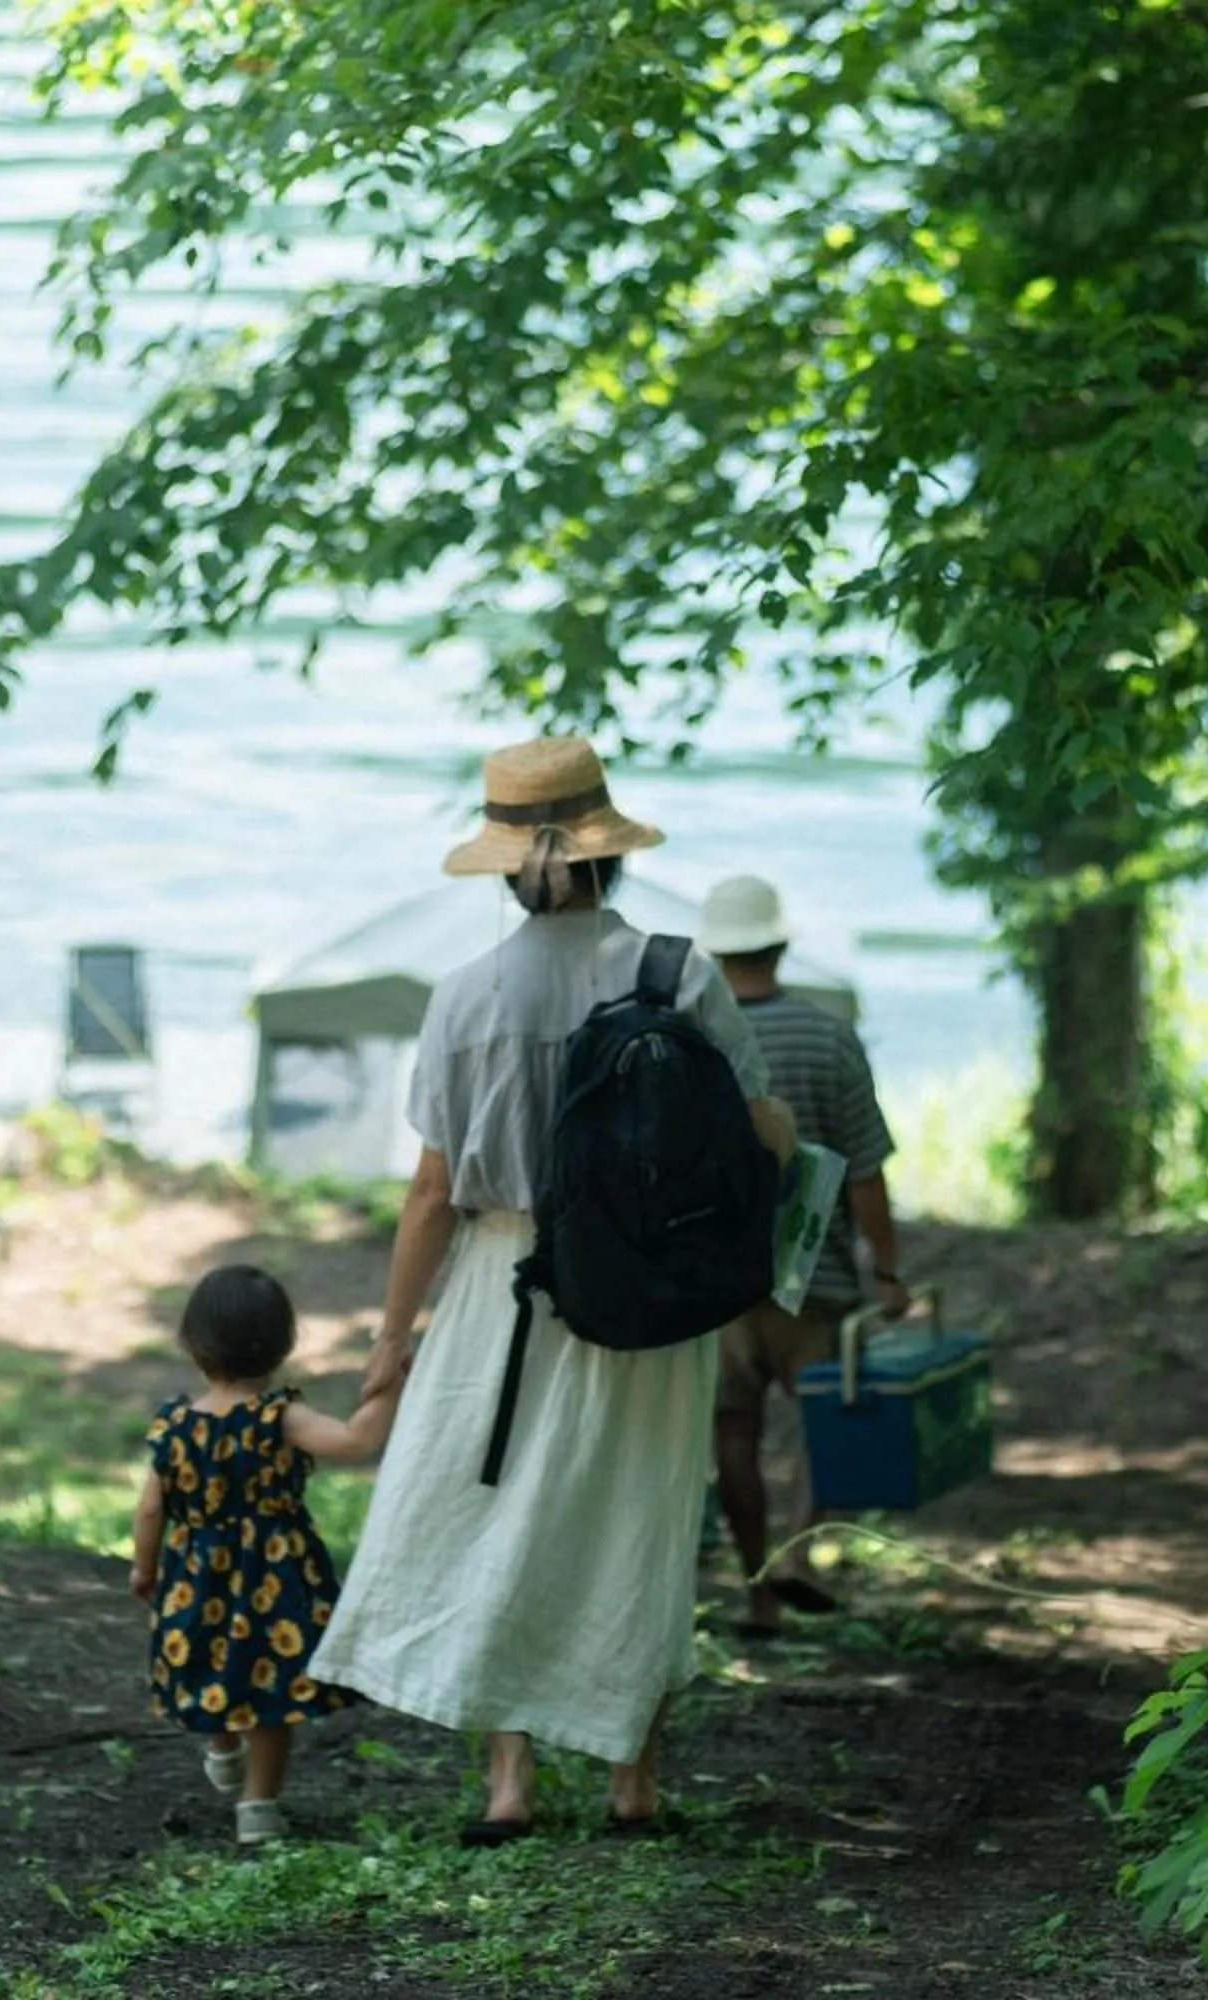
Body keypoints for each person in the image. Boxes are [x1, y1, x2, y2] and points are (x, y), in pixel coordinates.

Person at [309, 737, 792, 1845]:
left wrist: (391, 1341)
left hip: (504, 1284)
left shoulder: (465, 994)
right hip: (650, 1291)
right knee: (640, 1514)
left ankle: (509, 1784)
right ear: (610, 852)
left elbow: (433, 1189)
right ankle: (633, 1778)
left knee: (495, 1514)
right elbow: (759, 1128)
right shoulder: (681, 973)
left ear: (502, 866)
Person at [699, 874, 909, 1637]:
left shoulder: (696, 1042)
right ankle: (796, 1554)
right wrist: (885, 1268)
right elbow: (865, 1172)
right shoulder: (829, 1036)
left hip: (720, 1281)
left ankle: (757, 1595)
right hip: (814, 1276)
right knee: (827, 1422)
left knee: (733, 1435)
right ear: (781, 945)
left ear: (712, 956)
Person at [130, 1263, 399, 1846]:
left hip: (195, 1578)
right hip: (273, 1577)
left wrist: (144, 1568)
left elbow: (151, 1509)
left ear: (191, 1342)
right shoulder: (281, 1418)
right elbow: (356, 1440)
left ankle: (222, 1744)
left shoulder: (175, 1425)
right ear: (282, 1346)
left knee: (202, 1663)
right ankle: (258, 1806)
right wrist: (390, 1382)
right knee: (269, 1689)